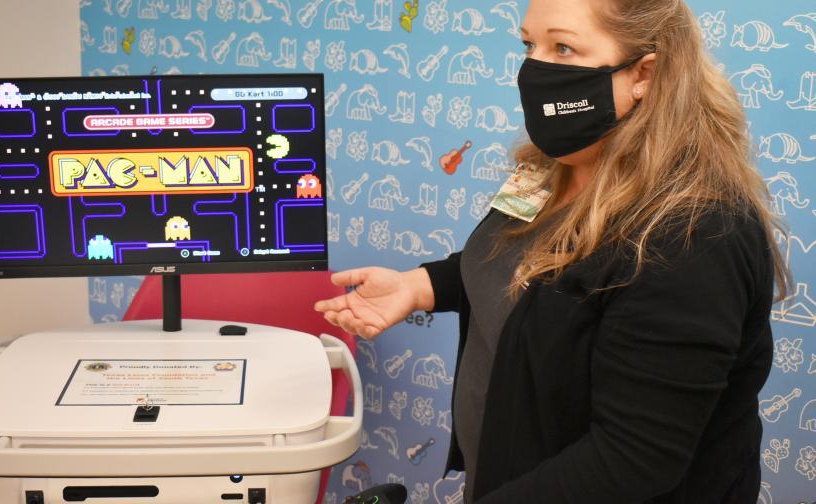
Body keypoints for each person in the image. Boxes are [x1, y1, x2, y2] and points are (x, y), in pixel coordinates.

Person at [315, 0, 793, 502]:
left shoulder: (692, 235)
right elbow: (521, 268)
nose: (535, 68)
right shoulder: (556, 165)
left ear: (645, 73)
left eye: (563, 47)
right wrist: (420, 286)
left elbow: (631, 460)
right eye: (530, 44)